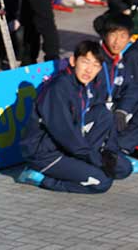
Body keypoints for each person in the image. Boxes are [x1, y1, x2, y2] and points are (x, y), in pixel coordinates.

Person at [18, 41, 134, 193]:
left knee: (123, 169)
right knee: (102, 182)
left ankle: (84, 163)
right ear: (73, 61)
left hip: (69, 148)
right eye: (85, 62)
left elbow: (100, 116)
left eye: (95, 65)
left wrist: (109, 153)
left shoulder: (84, 85)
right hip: (45, 154)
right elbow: (65, 134)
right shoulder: (58, 88)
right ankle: (38, 177)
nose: (89, 70)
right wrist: (95, 159)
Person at [98, 13, 138, 156]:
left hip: (115, 111)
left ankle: (122, 146)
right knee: (117, 171)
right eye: (113, 35)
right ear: (104, 35)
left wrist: (122, 110)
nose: (117, 42)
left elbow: (132, 88)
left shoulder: (119, 60)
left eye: (122, 36)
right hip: (96, 116)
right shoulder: (94, 60)